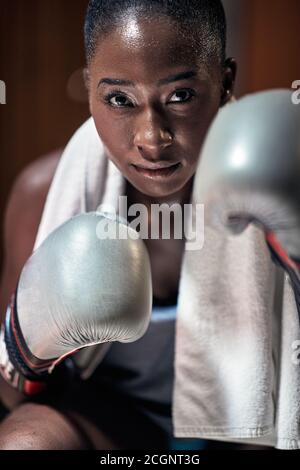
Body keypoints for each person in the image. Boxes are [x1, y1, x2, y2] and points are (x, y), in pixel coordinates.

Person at [0, 0, 237, 450]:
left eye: (180, 96)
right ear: (91, 90)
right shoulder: (43, 195)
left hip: (247, 420)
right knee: (26, 443)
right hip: (113, 423)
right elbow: (10, 393)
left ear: (225, 83)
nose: (151, 138)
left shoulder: (275, 186)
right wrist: (37, 340)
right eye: (119, 99)